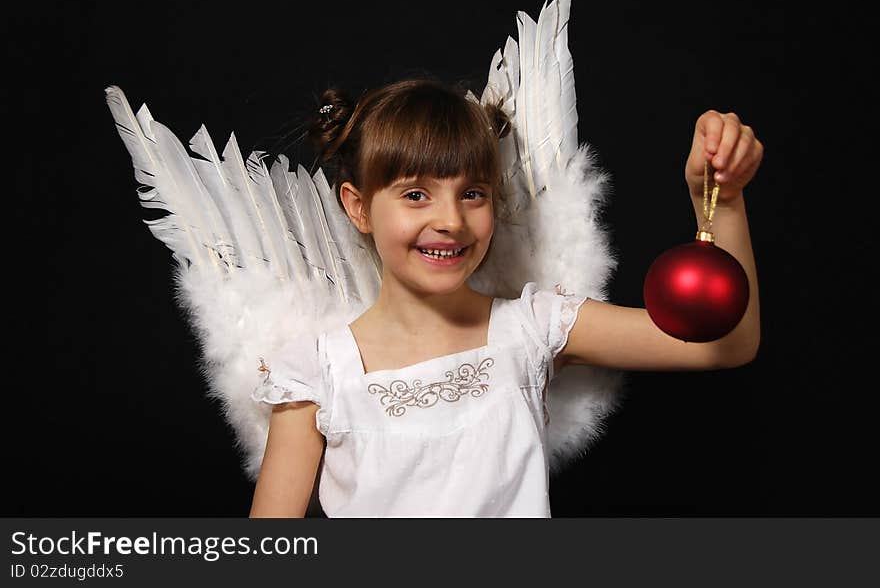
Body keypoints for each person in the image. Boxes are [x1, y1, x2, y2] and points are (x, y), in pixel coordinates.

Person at [247, 78, 763, 518]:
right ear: (358, 208)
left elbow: (726, 343)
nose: (450, 221)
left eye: (473, 193)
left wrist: (721, 202)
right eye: (415, 194)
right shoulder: (319, 372)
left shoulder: (533, 328)